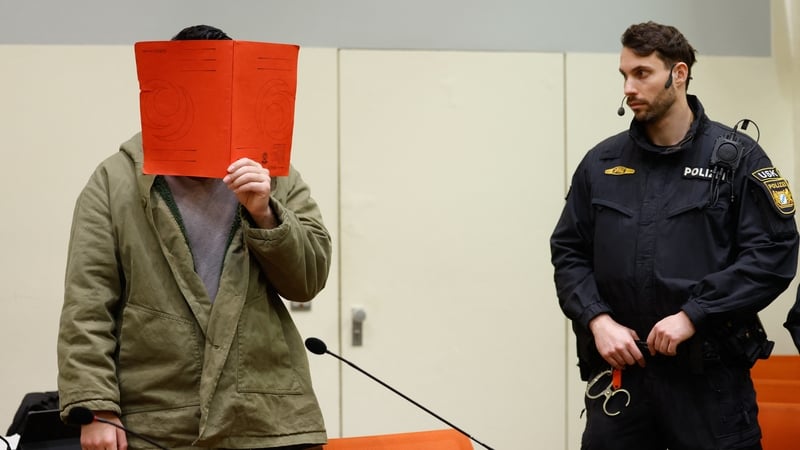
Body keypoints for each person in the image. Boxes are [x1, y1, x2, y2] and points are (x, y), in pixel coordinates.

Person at [57, 25, 330, 450]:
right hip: (156, 418)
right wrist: (96, 407)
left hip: (266, 417)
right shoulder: (115, 180)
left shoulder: (272, 172)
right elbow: (88, 301)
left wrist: (264, 211)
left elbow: (308, 280)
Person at [550, 21, 799, 450]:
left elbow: (773, 254)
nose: (629, 87)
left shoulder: (736, 159)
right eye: (624, 75)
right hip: (622, 385)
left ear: (678, 74)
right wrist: (597, 319)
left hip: (709, 386)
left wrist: (694, 314)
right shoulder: (601, 163)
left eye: (642, 73)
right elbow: (569, 252)